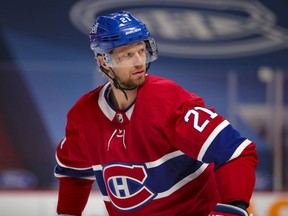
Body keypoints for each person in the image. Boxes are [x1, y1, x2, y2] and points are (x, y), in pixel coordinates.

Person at [54, 11, 258, 216]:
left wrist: (233, 210)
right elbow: (73, 171)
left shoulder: (167, 101)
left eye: (141, 51)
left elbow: (236, 152)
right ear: (104, 61)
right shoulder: (84, 115)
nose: (139, 61)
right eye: (127, 54)